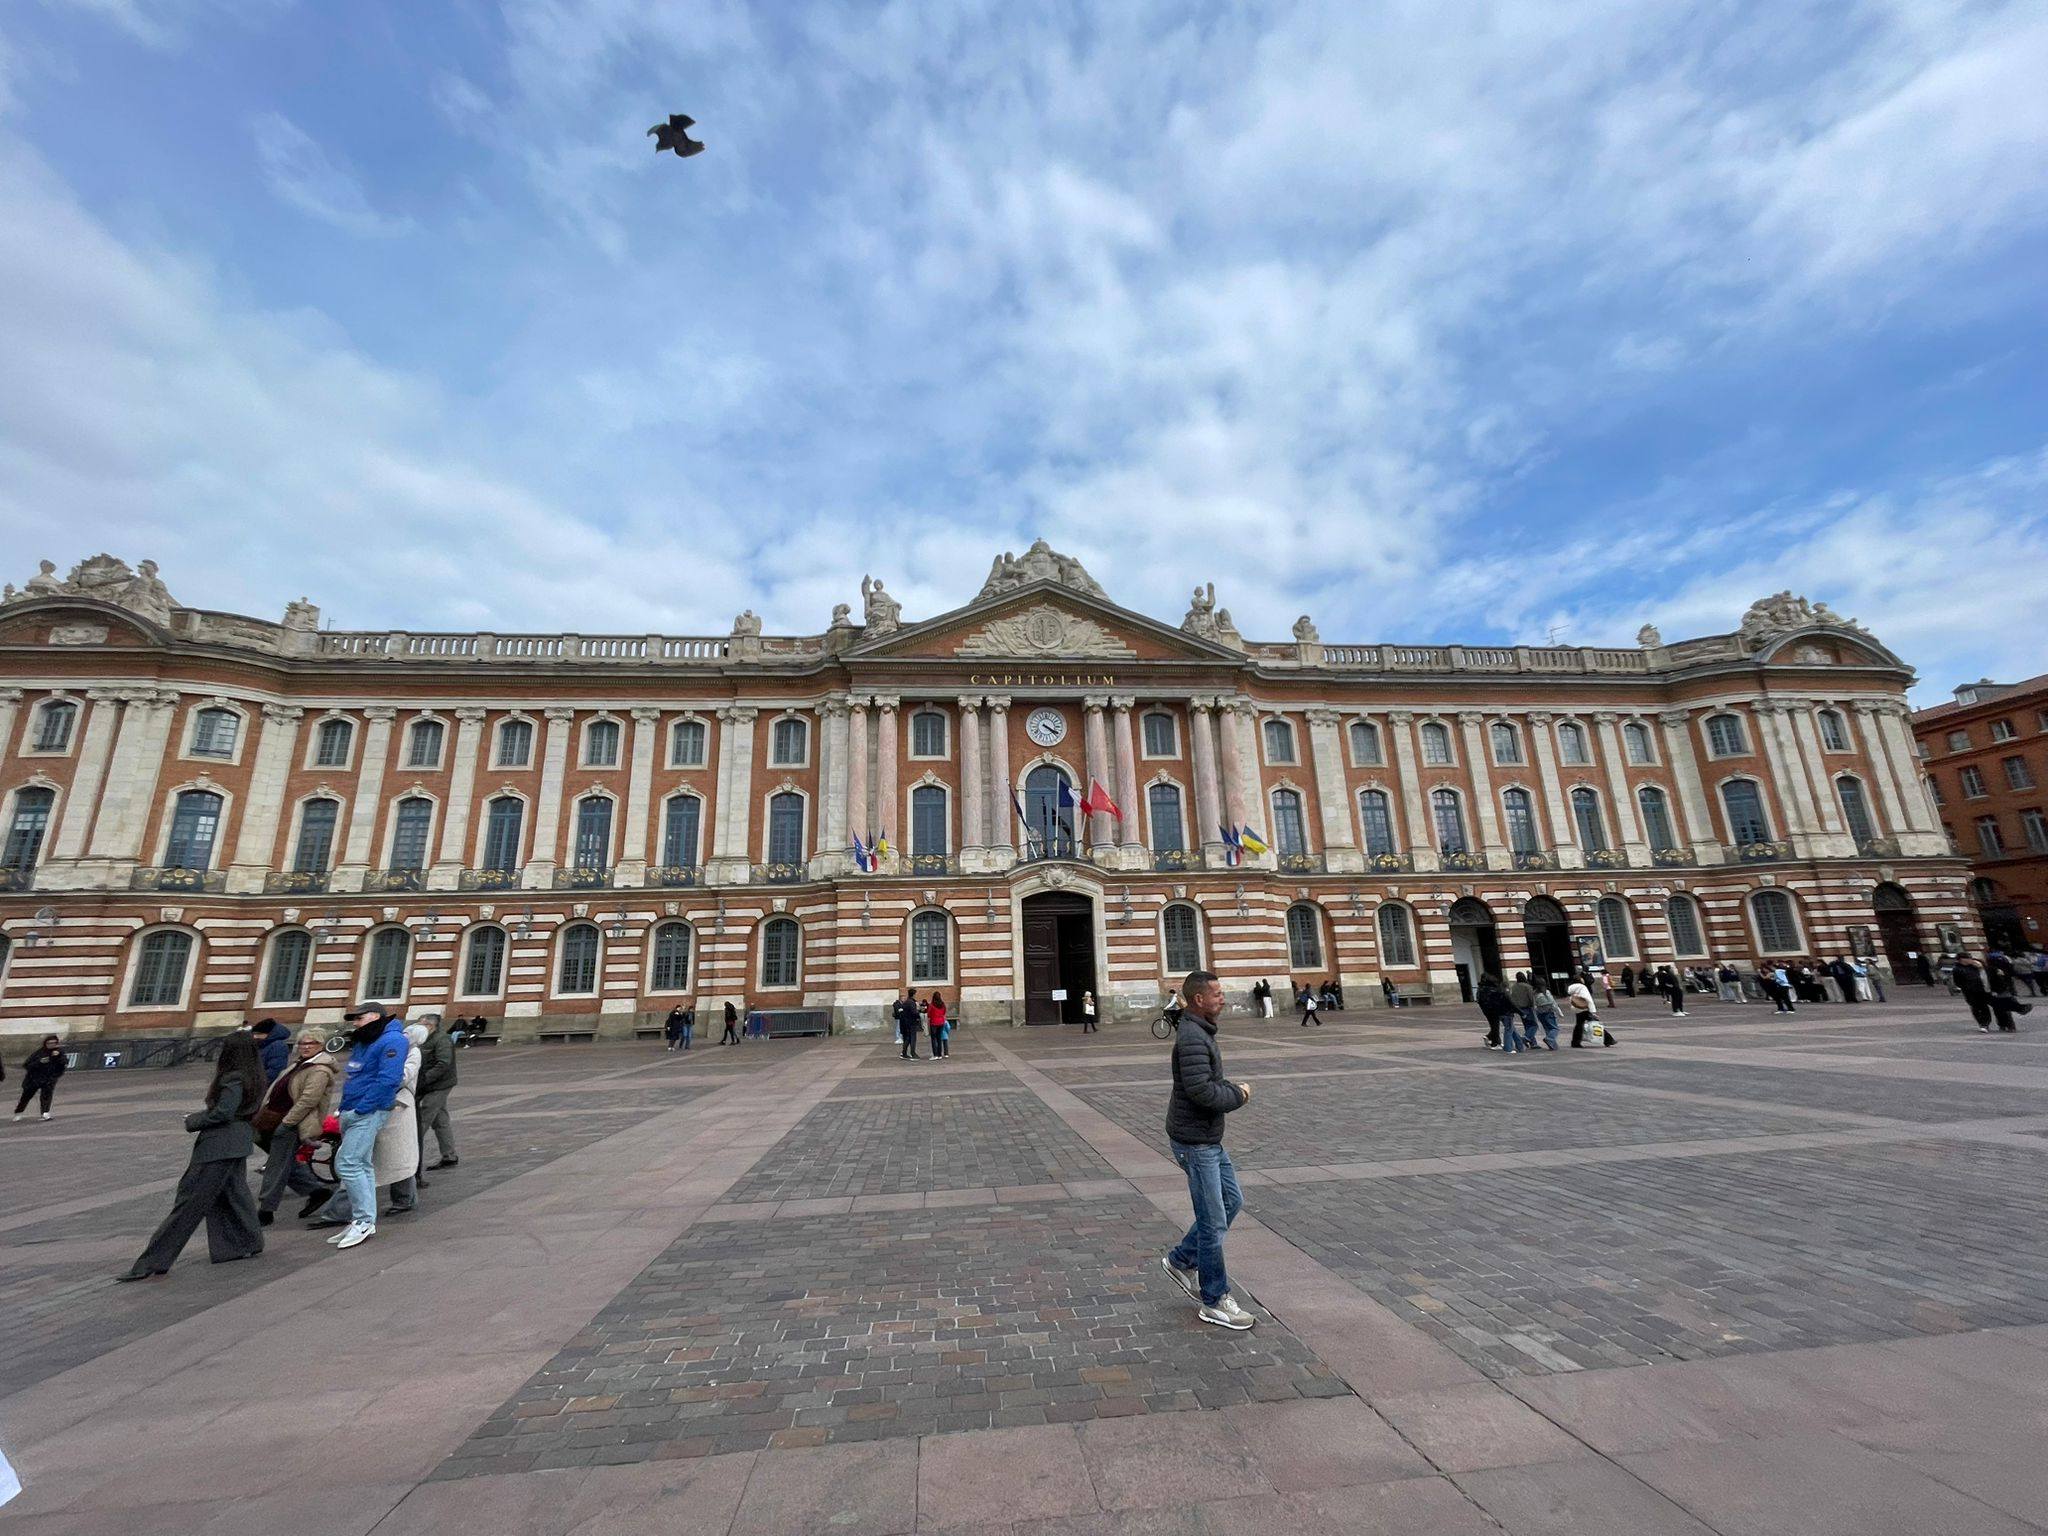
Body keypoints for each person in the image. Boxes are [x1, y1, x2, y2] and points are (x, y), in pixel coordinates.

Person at [119, 1034, 265, 1279]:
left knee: (188, 1203)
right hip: (238, 1142)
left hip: (219, 1145)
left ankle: (152, 1262)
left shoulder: (233, 1077)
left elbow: (224, 1113)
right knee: (234, 1196)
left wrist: (194, 1120)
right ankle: (245, 1243)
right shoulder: (254, 1076)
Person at [1160, 969, 1256, 1330]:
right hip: (1195, 1142)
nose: (1223, 998)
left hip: (1206, 1138)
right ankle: (1214, 1299)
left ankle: (1182, 1259)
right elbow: (1202, 1091)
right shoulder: (1192, 1038)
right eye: (1217, 993)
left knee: (1232, 1202)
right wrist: (1239, 1094)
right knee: (1214, 1220)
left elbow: (1204, 1082)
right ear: (1199, 999)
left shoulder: (1199, 1032)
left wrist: (1227, 1087)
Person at [314, 1003, 409, 1251]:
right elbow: (357, 1075)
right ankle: (362, 1218)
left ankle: (364, 1220)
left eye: (359, 1018)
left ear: (375, 1017)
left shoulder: (392, 1041)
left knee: (347, 1162)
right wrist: (347, 1109)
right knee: (362, 1164)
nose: (355, 1023)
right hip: (352, 1109)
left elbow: (388, 1079)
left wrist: (362, 1108)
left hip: (367, 1111)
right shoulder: (365, 1040)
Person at [254, 1030, 337, 1225]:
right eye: (302, 1043)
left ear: (321, 1045)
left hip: (292, 1123)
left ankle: (265, 1211)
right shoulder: (299, 1064)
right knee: (285, 1162)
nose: (306, 1046)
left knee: (276, 1166)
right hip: (272, 1119)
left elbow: (308, 1100)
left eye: (312, 1043)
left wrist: (287, 1123)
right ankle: (317, 1191)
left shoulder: (319, 1069)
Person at [416, 1014, 458, 1174]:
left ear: (430, 1026)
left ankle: (413, 1163)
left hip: (439, 1085)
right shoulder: (425, 1039)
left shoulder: (442, 1040)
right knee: (440, 1120)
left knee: (422, 1120)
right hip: (430, 1084)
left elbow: (443, 1064)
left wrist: (422, 1080)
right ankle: (449, 1155)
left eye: (421, 1025)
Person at [13, 1036, 68, 1121]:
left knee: (46, 1095)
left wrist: (58, 1056)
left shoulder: (59, 1052)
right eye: (49, 1043)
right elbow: (27, 1065)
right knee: (26, 1096)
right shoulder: (39, 1053)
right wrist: (40, 1062)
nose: (51, 1045)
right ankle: (18, 1112)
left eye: (54, 1043)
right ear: (45, 1043)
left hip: (49, 1078)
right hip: (34, 1078)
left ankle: (45, 1113)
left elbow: (64, 1063)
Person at [1477, 974, 1519, 1054]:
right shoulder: (1490, 989)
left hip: (1487, 1010)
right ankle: (1495, 1043)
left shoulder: (1481, 989)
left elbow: (1480, 1000)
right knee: (1495, 1026)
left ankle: (1492, 1039)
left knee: (1494, 1025)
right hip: (1493, 1010)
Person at [1567, 976, 1613, 1047]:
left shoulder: (1570, 988)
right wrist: (1593, 1011)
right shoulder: (1582, 987)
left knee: (1579, 1025)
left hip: (1577, 1008)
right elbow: (1588, 999)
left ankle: (1575, 1042)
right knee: (1595, 1023)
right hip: (1585, 1008)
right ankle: (1608, 1039)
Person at [1531, 980, 1562, 1050]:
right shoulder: (1546, 992)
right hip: (1549, 1012)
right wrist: (1559, 1012)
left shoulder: (1534, 993)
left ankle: (1553, 1045)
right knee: (1554, 1028)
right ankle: (1550, 1039)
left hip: (1540, 1013)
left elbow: (1534, 1005)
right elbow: (1553, 1003)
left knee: (1547, 1029)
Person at [1508, 972, 1538, 1044]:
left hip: (1519, 1008)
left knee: (1527, 1025)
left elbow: (1512, 998)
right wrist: (1534, 1006)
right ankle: (1526, 1037)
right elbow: (1531, 998)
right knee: (1534, 1025)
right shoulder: (1527, 986)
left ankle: (1533, 1043)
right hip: (1527, 1007)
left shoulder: (1514, 987)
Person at [896, 989, 922, 1060]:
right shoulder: (911, 1002)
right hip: (911, 1023)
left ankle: (904, 1053)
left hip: (905, 1023)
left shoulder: (906, 1002)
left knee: (907, 1038)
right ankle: (913, 1053)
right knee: (913, 1038)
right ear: (913, 994)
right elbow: (914, 1012)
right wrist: (919, 1012)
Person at [928, 991, 949, 1058]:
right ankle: (940, 1054)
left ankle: (935, 1054)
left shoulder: (931, 1005)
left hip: (933, 1023)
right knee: (939, 1038)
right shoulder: (942, 1004)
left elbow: (929, 1014)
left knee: (933, 1039)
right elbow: (944, 1012)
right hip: (941, 1022)